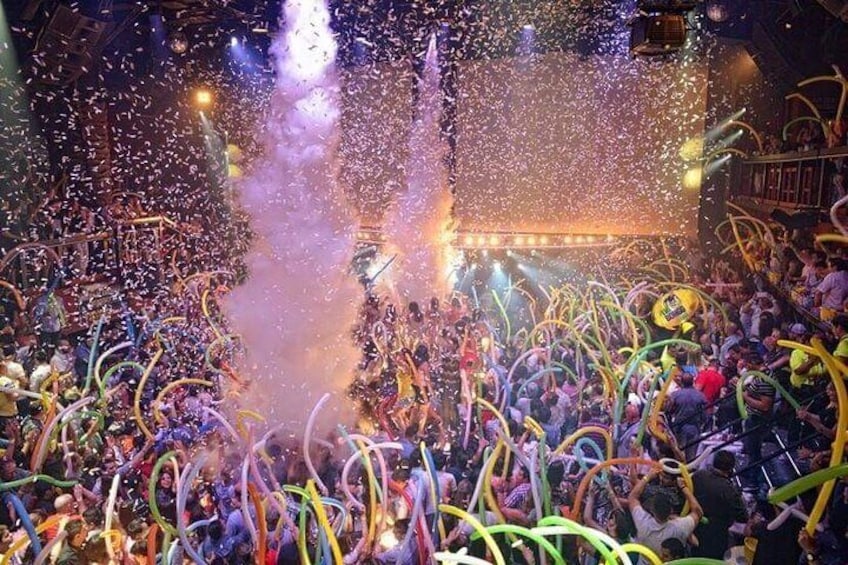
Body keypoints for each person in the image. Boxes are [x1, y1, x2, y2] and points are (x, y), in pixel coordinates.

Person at [628, 468, 703, 564]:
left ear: (652, 510)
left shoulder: (643, 522)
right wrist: (684, 487)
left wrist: (648, 477)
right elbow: (698, 512)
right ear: (671, 510)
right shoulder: (680, 527)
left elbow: (632, 497)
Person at [690, 450, 747, 558]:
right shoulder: (728, 489)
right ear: (730, 468)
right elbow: (742, 517)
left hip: (695, 525)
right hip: (716, 535)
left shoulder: (698, 475)